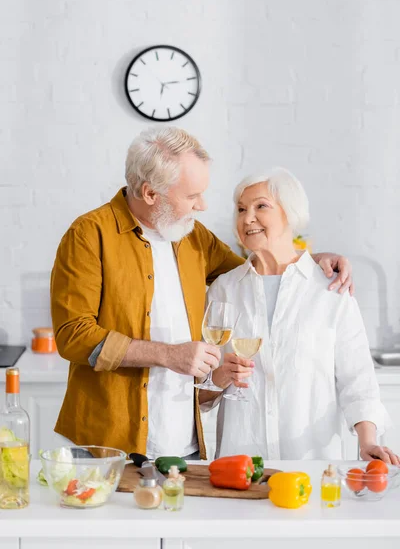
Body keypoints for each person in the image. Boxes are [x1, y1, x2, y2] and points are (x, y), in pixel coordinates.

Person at [50, 127, 353, 458]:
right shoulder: (89, 235)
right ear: (150, 193)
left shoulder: (194, 237)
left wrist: (310, 262)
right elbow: (74, 336)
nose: (203, 205)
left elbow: (256, 272)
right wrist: (169, 354)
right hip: (107, 447)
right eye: (192, 196)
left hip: (184, 450)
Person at [199, 168, 400, 465]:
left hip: (312, 463)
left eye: (261, 206)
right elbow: (201, 391)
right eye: (241, 209)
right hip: (239, 465)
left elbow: (358, 381)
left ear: (290, 213)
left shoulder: (330, 289)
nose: (247, 218)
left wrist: (367, 441)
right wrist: (218, 378)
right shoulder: (224, 289)